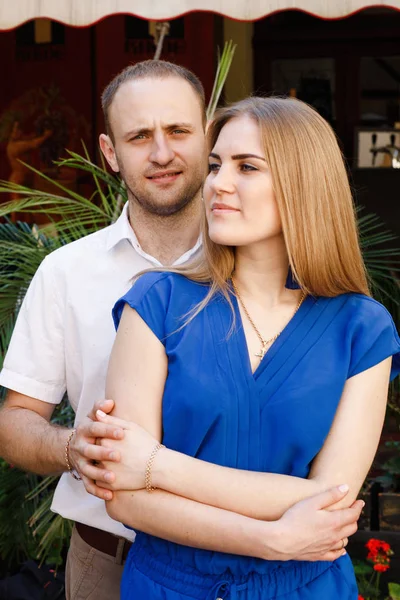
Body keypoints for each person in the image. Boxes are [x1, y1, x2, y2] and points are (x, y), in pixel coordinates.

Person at [0, 65, 362, 599]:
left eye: (179, 131)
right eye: (139, 136)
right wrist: (76, 447)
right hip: (112, 554)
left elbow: (333, 490)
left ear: (208, 133)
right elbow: (14, 423)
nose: (162, 153)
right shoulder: (68, 272)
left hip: (287, 566)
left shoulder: (301, 286)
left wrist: (150, 465)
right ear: (109, 151)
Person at [94, 96, 400, 599]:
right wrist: (271, 537)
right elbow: (126, 499)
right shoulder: (157, 304)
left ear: (304, 185)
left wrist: (157, 465)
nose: (218, 183)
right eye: (215, 165)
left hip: (307, 588)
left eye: (247, 166)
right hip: (172, 586)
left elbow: (331, 498)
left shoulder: (360, 328)